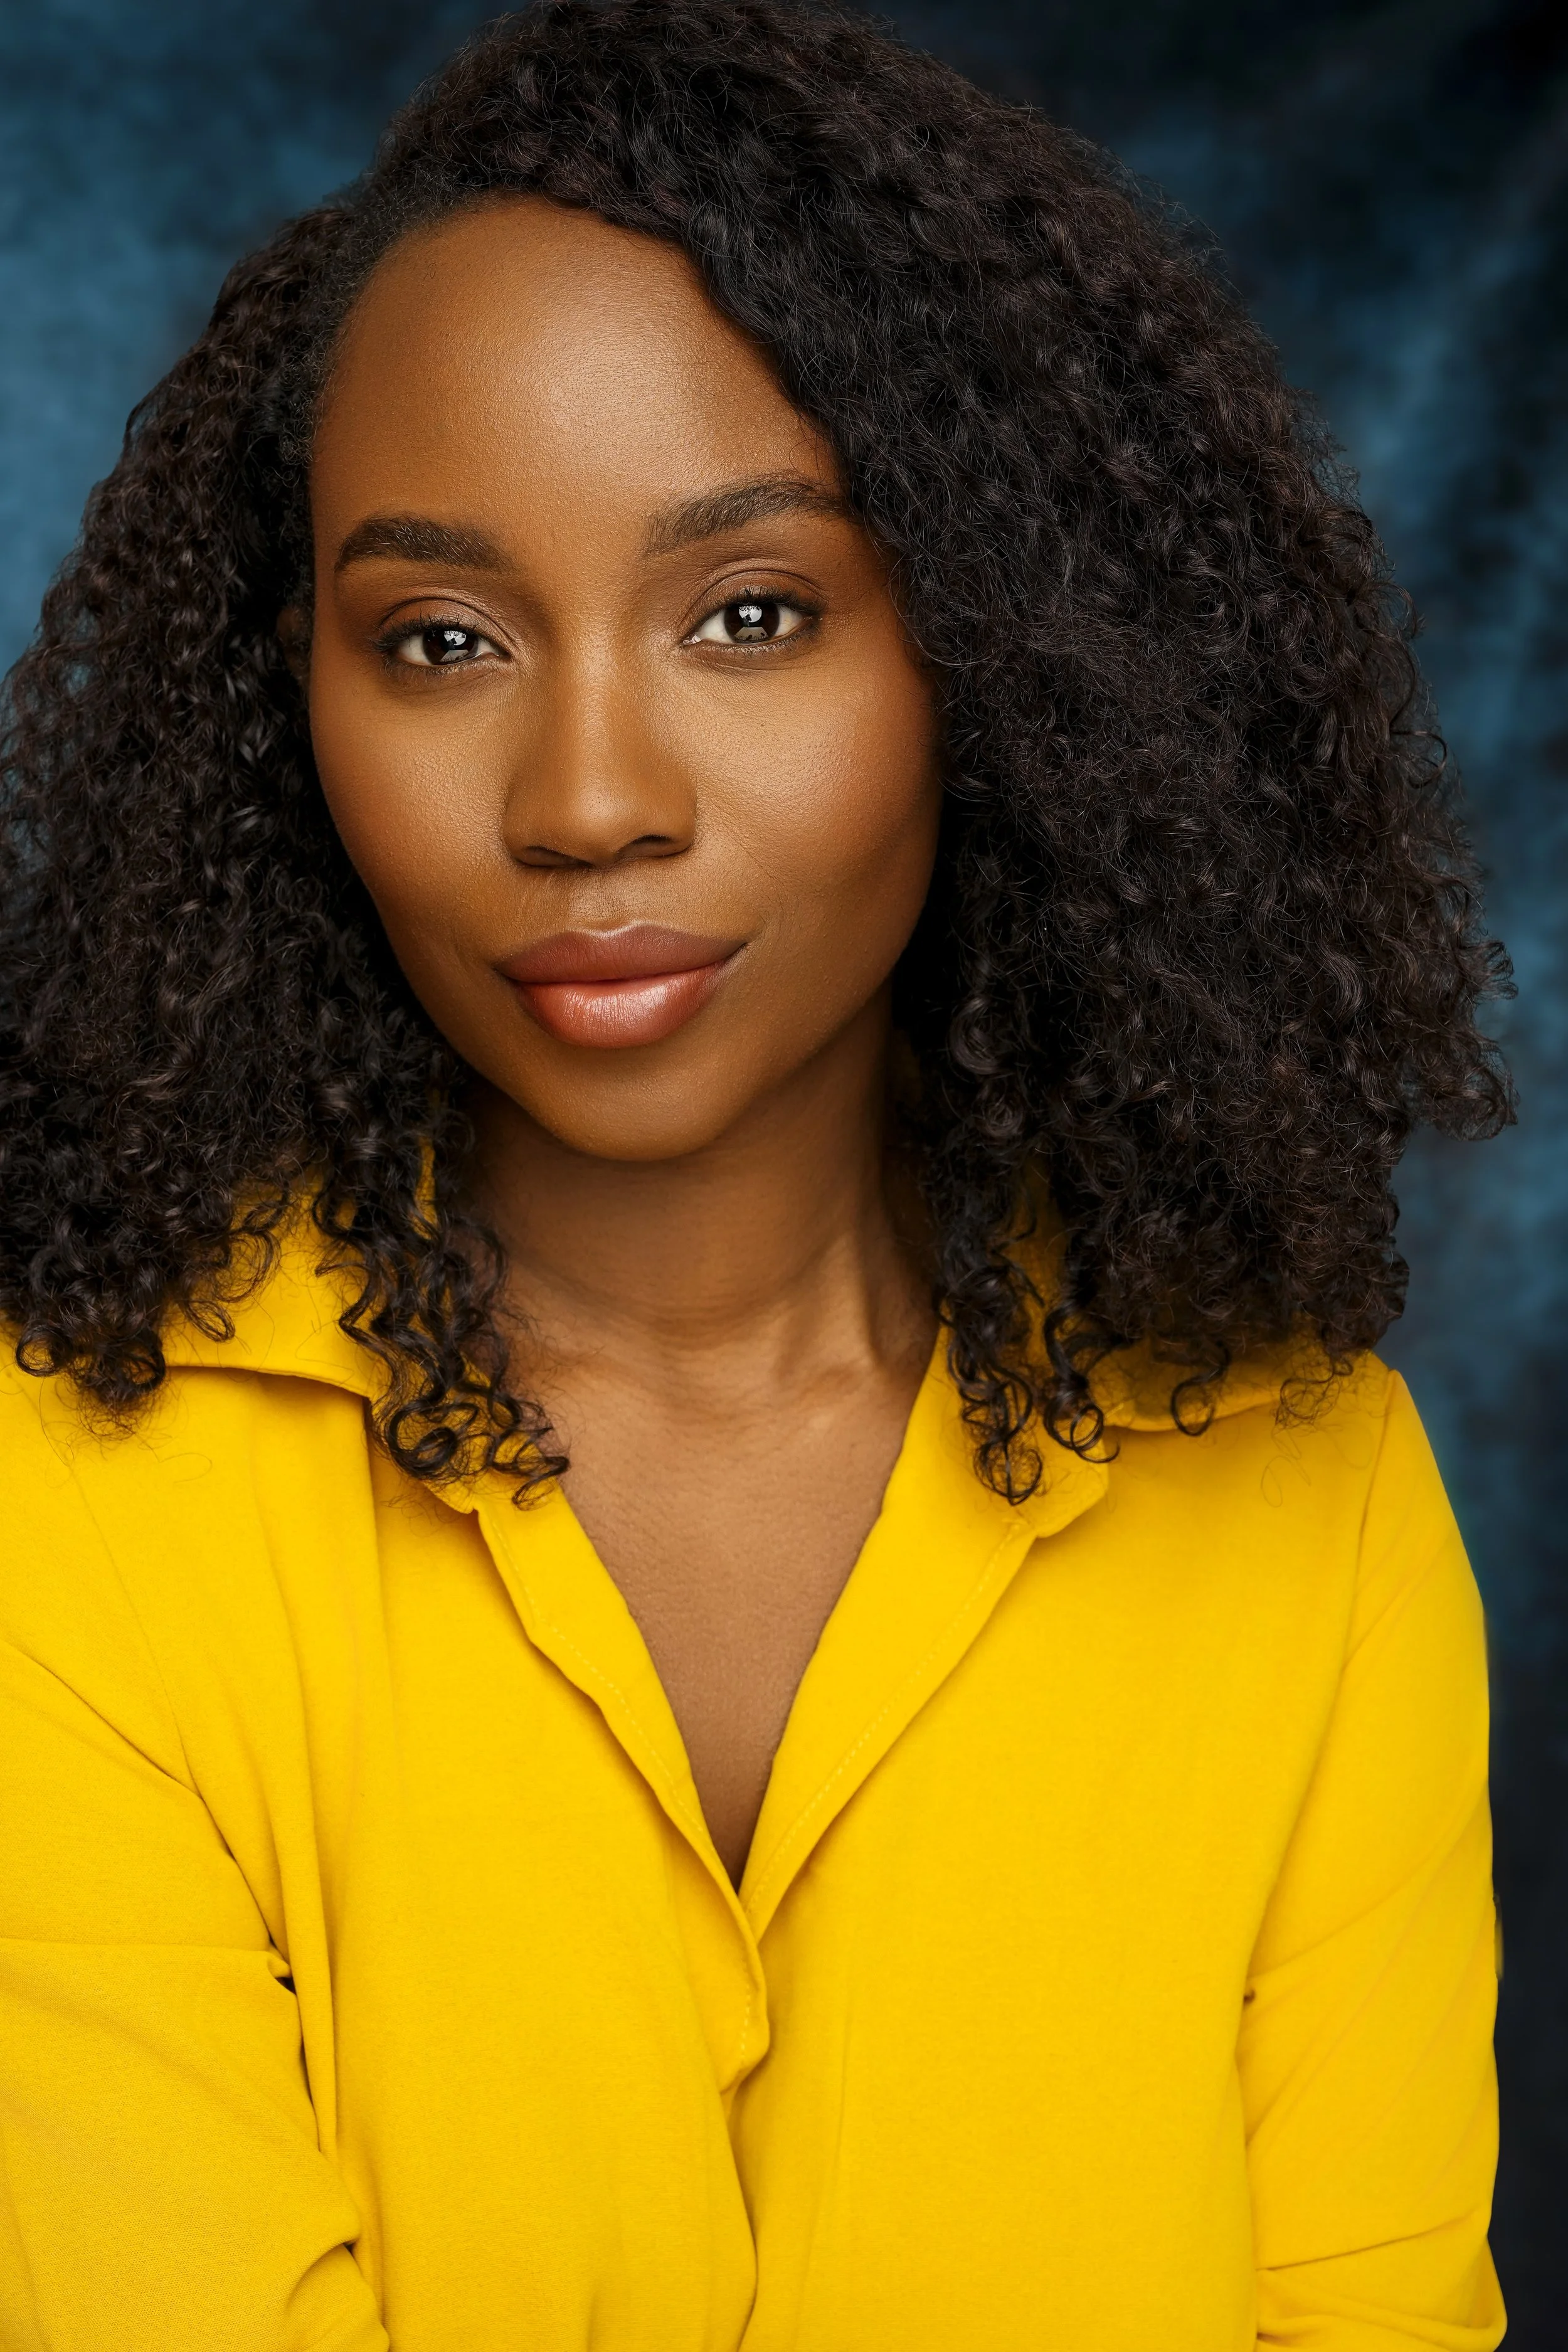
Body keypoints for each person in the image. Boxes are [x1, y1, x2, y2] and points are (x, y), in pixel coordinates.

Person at [0, 2, 1512, 2346]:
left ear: (1001, 659)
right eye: (437, 637)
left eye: (749, 614)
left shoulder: (1312, 1516)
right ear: (284, 698)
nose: (588, 793)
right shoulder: (61, 1495)